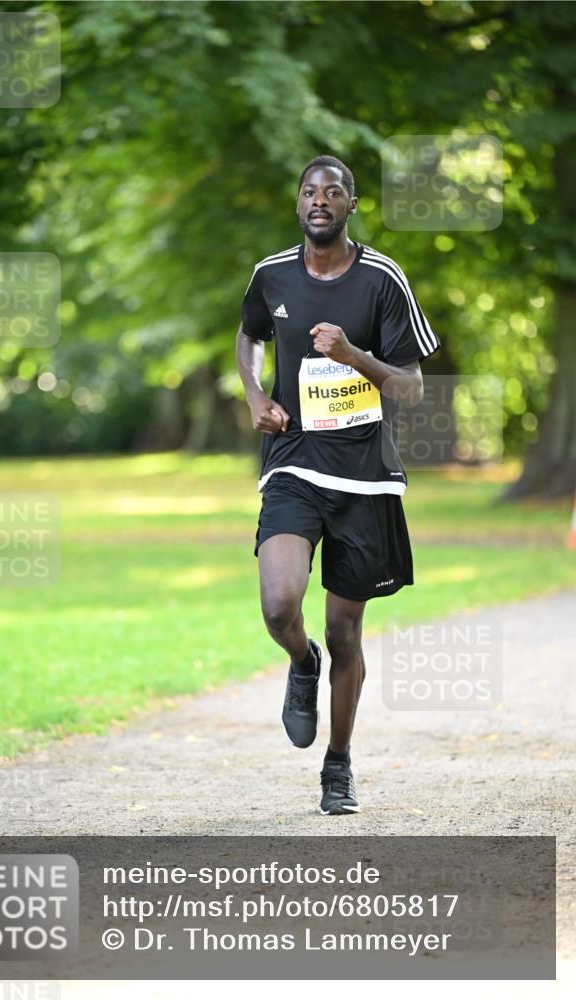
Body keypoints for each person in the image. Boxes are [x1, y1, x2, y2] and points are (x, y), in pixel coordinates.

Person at [236, 155, 440, 815]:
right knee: (278, 605)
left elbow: (410, 387)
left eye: (332, 192)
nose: (318, 200)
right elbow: (249, 336)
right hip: (293, 460)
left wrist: (352, 355)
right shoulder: (271, 274)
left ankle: (338, 764)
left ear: (351, 205)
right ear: (298, 205)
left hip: (363, 477)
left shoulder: (382, 279)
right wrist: (254, 394)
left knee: (346, 633)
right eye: (308, 191)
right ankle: (302, 662)